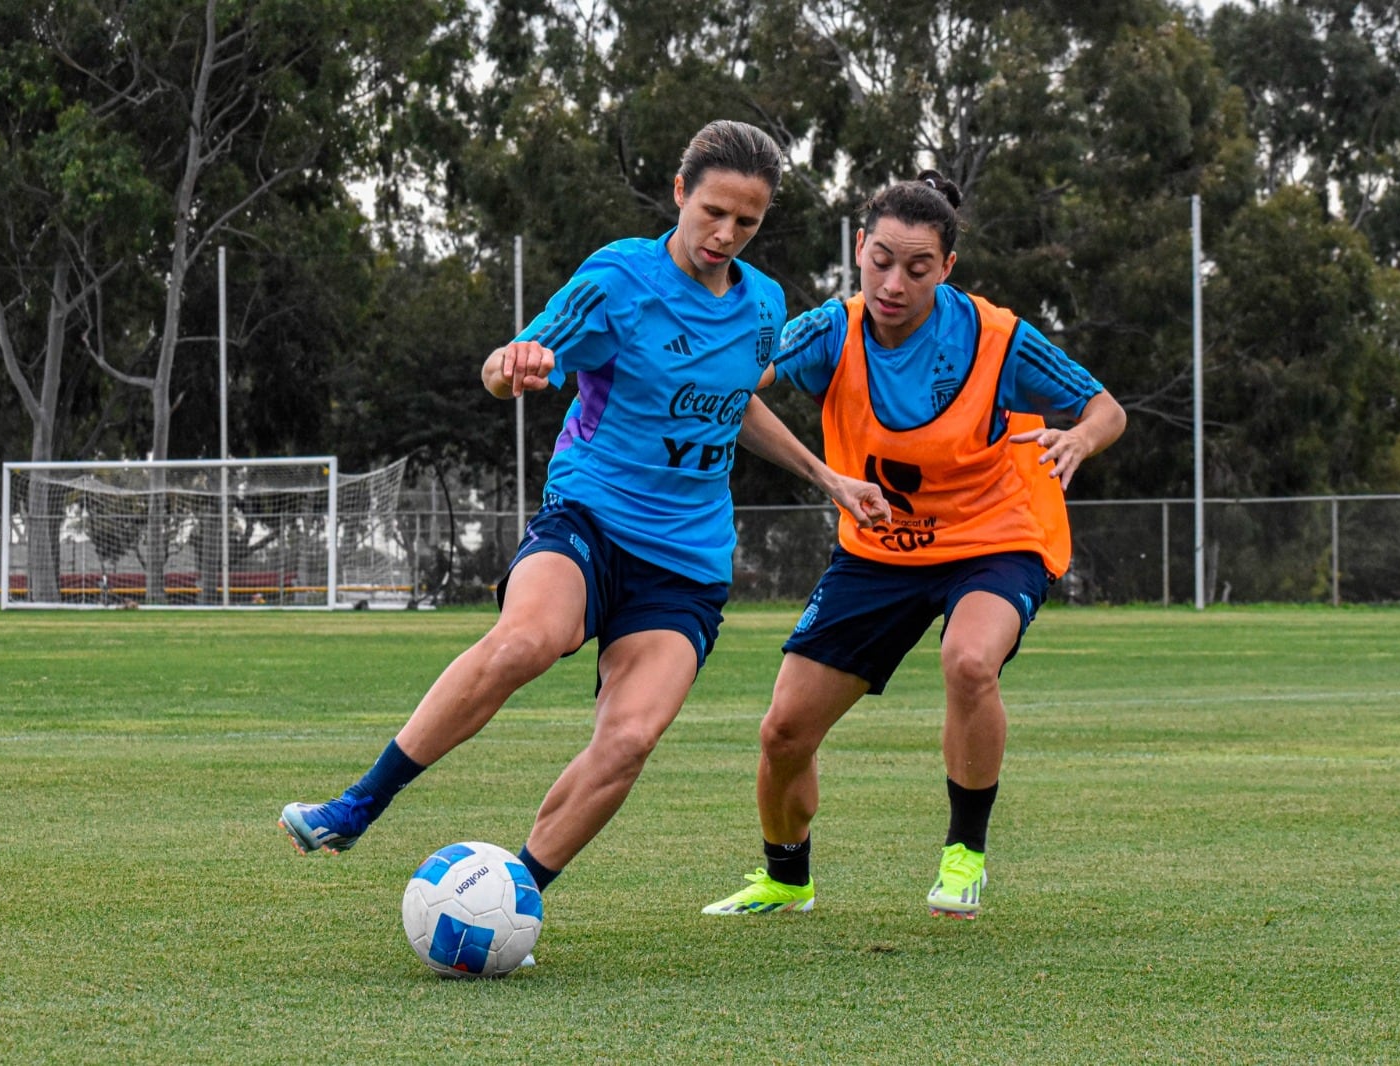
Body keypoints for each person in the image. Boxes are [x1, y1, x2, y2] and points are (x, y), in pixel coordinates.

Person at [278, 121, 889, 911]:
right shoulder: (616, 281)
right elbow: (508, 366)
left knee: (631, 739)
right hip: (589, 521)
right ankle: (359, 804)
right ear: (679, 192)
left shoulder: (762, 304)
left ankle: (510, 901)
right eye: (713, 212)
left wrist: (825, 476)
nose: (725, 234)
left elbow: (732, 404)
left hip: (686, 565)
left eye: (747, 222)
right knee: (529, 640)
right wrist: (514, 366)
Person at [703, 174, 1126, 919]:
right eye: (880, 261)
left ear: (948, 268)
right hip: (877, 549)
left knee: (968, 661)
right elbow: (734, 383)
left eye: (918, 267)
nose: (894, 283)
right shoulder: (830, 329)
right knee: (784, 731)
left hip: (996, 537)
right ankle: (785, 877)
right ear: (859, 251)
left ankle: (964, 856)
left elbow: (1105, 407)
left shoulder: (996, 338)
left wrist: (1080, 440)